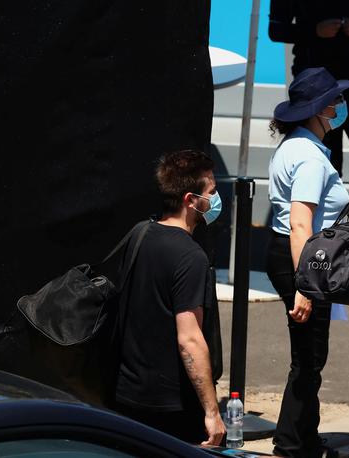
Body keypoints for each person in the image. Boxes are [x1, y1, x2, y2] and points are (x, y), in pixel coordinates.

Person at [266, 67, 349, 458]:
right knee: (308, 358)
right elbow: (301, 223)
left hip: (294, 256)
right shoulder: (309, 158)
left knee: (310, 354)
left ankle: (304, 437)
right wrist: (306, 285)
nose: (340, 106)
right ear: (319, 110)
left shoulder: (296, 147)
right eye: (334, 101)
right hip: (302, 260)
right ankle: (291, 446)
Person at [113, 150, 226, 446]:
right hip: (172, 408)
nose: (215, 199)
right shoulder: (190, 257)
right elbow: (189, 339)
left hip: (128, 395)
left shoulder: (139, 233)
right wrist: (212, 412)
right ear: (191, 200)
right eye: (211, 192)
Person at [268, 0, 349, 216]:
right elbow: (275, 29)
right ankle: (324, 240)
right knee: (324, 168)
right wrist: (314, 31)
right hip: (315, 95)